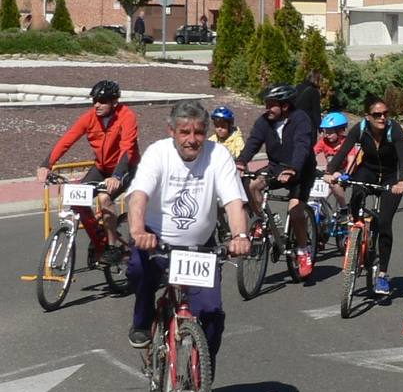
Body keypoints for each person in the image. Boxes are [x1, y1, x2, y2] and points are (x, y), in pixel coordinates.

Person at [125, 101, 252, 359]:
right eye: (185, 132)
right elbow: (138, 196)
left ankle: (202, 373)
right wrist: (138, 231)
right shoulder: (157, 153)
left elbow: (233, 202)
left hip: (200, 248)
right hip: (155, 241)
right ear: (171, 131)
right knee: (139, 272)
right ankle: (143, 320)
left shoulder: (218, 155)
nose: (192, 140)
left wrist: (239, 235)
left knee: (212, 315)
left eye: (199, 132)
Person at [37, 79, 139, 266]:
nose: (97, 105)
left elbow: (127, 148)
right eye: (94, 101)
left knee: (104, 198)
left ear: (114, 102)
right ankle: (98, 237)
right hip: (101, 167)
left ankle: (112, 247)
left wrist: (116, 176)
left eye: (102, 101)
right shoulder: (89, 117)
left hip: (125, 168)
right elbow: (68, 139)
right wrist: (46, 164)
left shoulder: (127, 116)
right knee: (76, 198)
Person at [325, 95, 403, 295]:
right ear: (367, 117)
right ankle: (356, 232)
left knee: (385, 223)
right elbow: (343, 152)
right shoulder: (360, 129)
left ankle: (382, 274)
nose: (382, 118)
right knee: (356, 195)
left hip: (390, 177)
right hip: (368, 171)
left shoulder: (394, 129)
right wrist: (330, 172)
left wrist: (402, 181)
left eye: (385, 114)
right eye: (377, 115)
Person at [237, 83, 317, 278]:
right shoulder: (264, 121)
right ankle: (264, 224)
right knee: (253, 185)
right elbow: (253, 142)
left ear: (285, 105)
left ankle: (303, 250)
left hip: (301, 169)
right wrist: (241, 162)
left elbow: (302, 145)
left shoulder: (301, 119)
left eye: (271, 104)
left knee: (295, 211)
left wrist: (293, 169)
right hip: (276, 167)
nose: (267, 109)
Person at [314, 111, 350, 207]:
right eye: (325, 132)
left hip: (345, 171)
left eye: (330, 132)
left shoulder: (346, 142)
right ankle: (320, 207)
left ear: (340, 131)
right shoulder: (323, 141)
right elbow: (313, 152)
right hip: (330, 170)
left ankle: (343, 208)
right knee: (321, 190)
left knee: (334, 183)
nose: (327, 135)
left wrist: (346, 173)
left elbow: (352, 159)